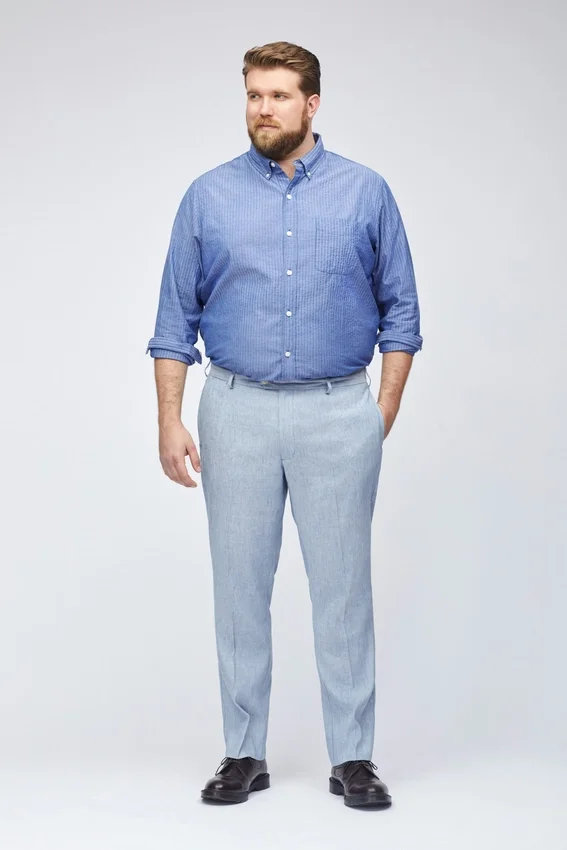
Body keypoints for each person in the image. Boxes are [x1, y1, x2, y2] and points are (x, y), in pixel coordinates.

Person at [145, 40, 423, 809]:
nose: (262, 109)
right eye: (253, 95)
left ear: (312, 103)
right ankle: (243, 752)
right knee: (239, 587)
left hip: (338, 410)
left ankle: (353, 758)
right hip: (234, 409)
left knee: (342, 590)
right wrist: (170, 419)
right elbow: (174, 321)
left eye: (277, 95)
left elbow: (401, 313)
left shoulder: (365, 193)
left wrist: (379, 412)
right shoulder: (207, 197)